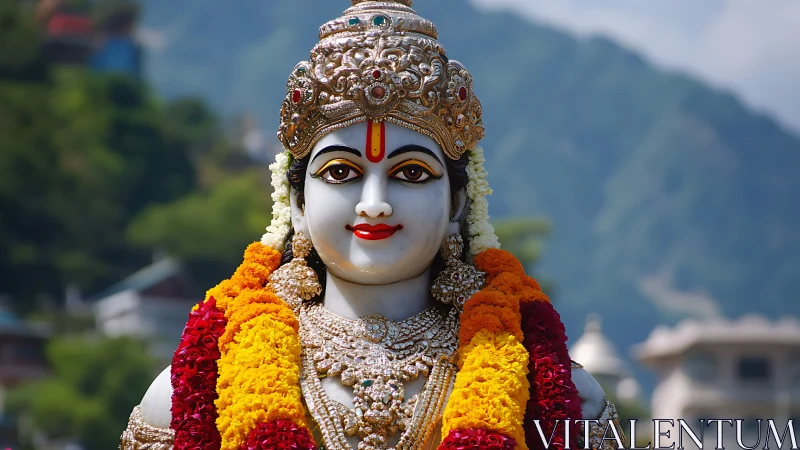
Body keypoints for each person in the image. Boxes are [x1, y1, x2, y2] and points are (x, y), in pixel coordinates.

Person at [120, 1, 622, 449]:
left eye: (410, 173)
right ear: (296, 203)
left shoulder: (556, 393)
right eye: (341, 173)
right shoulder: (194, 390)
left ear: (455, 203)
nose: (375, 204)